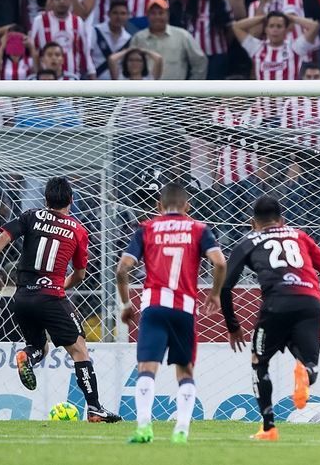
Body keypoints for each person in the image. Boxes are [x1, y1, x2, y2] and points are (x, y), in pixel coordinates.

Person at [0, 176, 121, 422]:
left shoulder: (31, 216)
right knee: (79, 350)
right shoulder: (78, 230)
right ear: (71, 199)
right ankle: (95, 409)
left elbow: (4, 237)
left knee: (39, 347)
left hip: (22, 297)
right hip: (51, 296)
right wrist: (61, 287)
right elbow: (80, 273)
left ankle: (27, 356)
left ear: (46, 199)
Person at [220, 195, 320, 440]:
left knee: (259, 363)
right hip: (309, 304)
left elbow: (224, 286)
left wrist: (233, 326)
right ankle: (305, 373)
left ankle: (269, 427)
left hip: (276, 305)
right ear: (282, 220)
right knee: (309, 364)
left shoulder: (249, 240)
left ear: (254, 222)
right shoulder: (300, 235)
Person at [116, 182, 227, 444]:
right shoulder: (199, 229)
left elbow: (122, 269)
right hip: (184, 309)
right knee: (185, 371)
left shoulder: (147, 228)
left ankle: (144, 427)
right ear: (187, 206)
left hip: (153, 307)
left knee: (146, 368)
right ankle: (181, 430)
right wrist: (215, 293)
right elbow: (221, 262)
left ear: (159, 206)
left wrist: (126, 305)